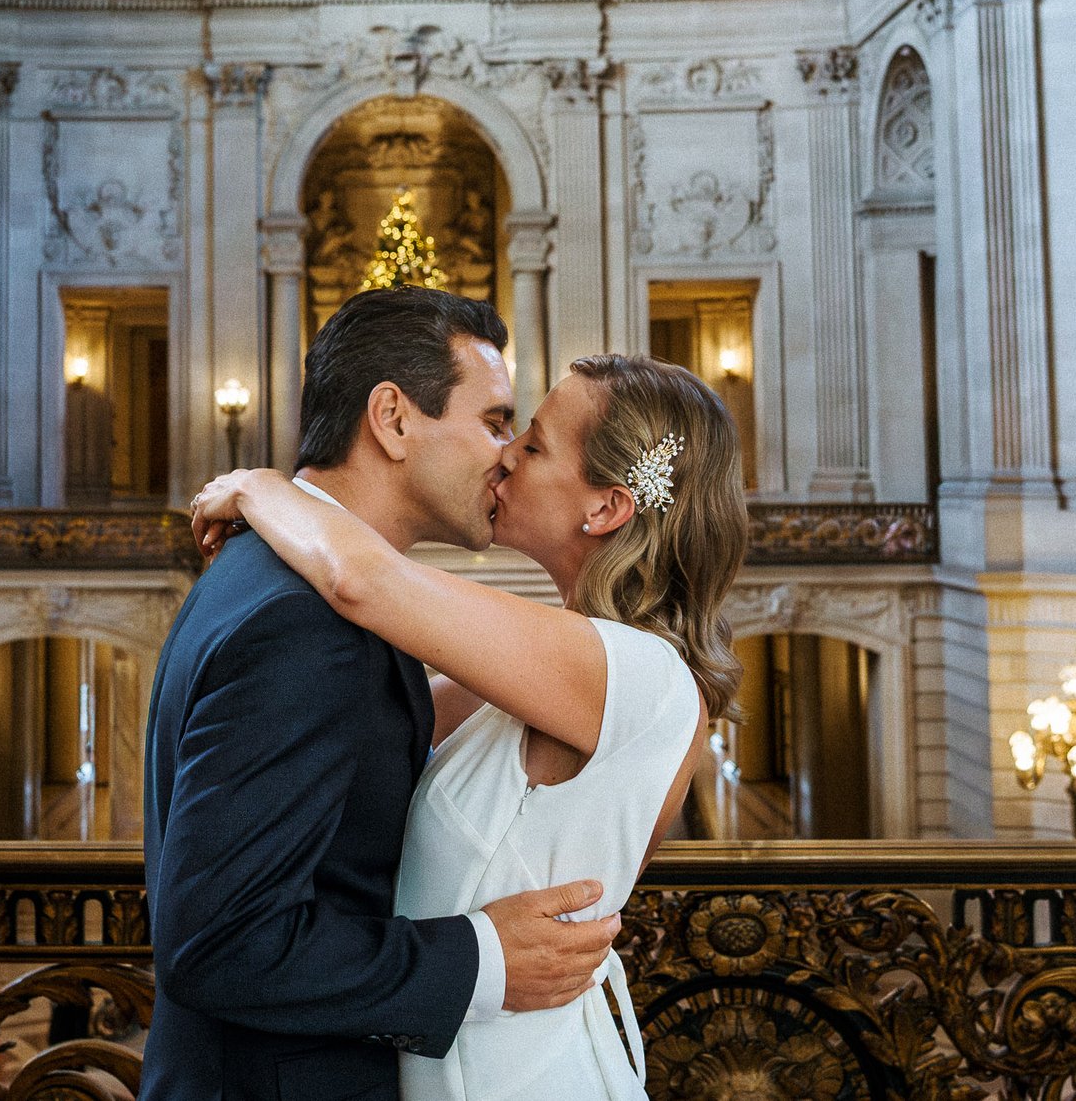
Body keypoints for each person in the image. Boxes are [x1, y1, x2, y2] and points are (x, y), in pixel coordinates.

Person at [189, 349, 748, 1099]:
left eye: (535, 442)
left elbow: (364, 580)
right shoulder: (542, 674)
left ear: (607, 507)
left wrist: (262, 488)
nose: (504, 455)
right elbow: (375, 707)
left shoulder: (635, 676)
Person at [141, 288, 621, 1101]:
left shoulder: (293, 586)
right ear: (393, 418)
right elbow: (219, 943)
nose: (507, 454)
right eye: (495, 421)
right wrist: (480, 957)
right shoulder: (301, 621)